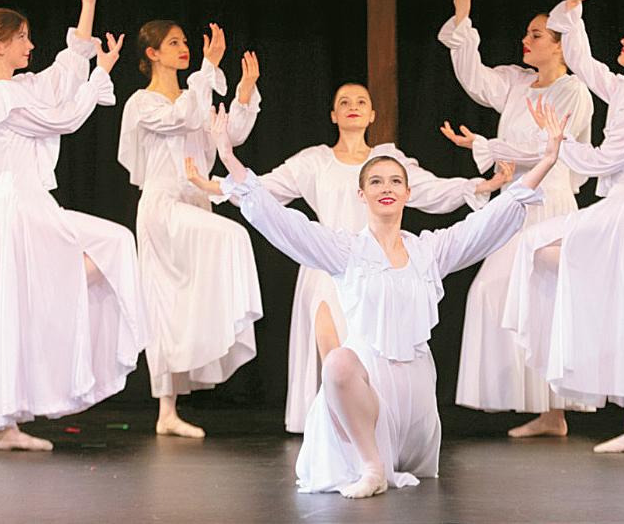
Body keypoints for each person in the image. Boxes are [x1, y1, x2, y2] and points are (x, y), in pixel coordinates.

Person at [201, 100, 567, 498]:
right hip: (368, 388)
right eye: (376, 182)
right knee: (338, 362)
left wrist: (547, 160)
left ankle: (391, 455)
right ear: (362, 194)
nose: (386, 188)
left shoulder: (430, 251)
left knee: (385, 407)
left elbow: (488, 222)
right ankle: (371, 466)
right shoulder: (346, 251)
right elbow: (280, 220)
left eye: (395, 181)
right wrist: (228, 157)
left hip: (415, 398)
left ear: (408, 192)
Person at [192, 81, 500, 433]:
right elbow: (263, 190)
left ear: (372, 114)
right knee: (332, 344)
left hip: (374, 266)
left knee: (369, 344)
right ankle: (335, 421)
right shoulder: (315, 162)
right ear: (333, 115)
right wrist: (212, 184)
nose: (353, 106)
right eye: (344, 102)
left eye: (361, 101)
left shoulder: (386, 163)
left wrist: (481, 186)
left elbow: (430, 188)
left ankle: (370, 419)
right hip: (326, 260)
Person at [0, 0, 145, 450]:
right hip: (19, 210)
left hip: (34, 206)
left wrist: (89, 3)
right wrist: (101, 75)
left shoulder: (19, 87)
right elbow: (62, 118)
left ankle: (8, 422)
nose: (30, 45)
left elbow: (65, 73)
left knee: (114, 244)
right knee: (21, 306)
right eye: (22, 38)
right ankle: (3, 426)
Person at [505, 0, 624, 453]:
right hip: (621, 206)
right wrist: (571, 9)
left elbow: (607, 160)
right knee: (538, 248)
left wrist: (557, 144)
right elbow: (585, 64)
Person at [437, 0, 595, 436]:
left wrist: (485, 146)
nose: (526, 40)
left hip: (551, 202)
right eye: (527, 33)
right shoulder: (516, 82)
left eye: (537, 35)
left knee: (548, 302)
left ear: (560, 46)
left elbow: (548, 150)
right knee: (492, 291)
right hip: (516, 204)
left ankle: (554, 411)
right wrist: (462, 18)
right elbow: (474, 78)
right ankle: (541, 407)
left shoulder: (573, 91)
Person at [118, 21, 263, 438]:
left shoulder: (194, 96)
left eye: (184, 42)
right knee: (164, 301)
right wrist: (207, 70)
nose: (183, 48)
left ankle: (170, 411)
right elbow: (179, 118)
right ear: (152, 54)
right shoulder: (142, 103)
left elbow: (227, 137)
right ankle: (165, 408)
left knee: (182, 305)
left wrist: (244, 91)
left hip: (195, 201)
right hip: (163, 208)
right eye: (174, 43)